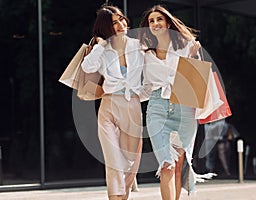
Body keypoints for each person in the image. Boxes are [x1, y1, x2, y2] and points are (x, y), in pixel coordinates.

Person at [139, 5, 216, 200]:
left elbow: (197, 77)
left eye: (159, 19)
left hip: (184, 107)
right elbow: (147, 88)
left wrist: (194, 56)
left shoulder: (187, 46)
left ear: (167, 22)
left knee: (180, 163)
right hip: (157, 108)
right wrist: (126, 97)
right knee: (167, 164)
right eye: (151, 21)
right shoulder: (146, 54)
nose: (155, 23)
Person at [81, 5, 144, 200]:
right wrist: (99, 45)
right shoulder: (103, 49)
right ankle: (114, 197)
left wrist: (142, 94)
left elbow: (153, 73)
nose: (120, 25)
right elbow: (87, 66)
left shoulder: (138, 45)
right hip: (108, 106)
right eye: (114, 23)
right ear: (106, 27)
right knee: (113, 158)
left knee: (131, 159)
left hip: (132, 105)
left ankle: (123, 195)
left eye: (121, 20)